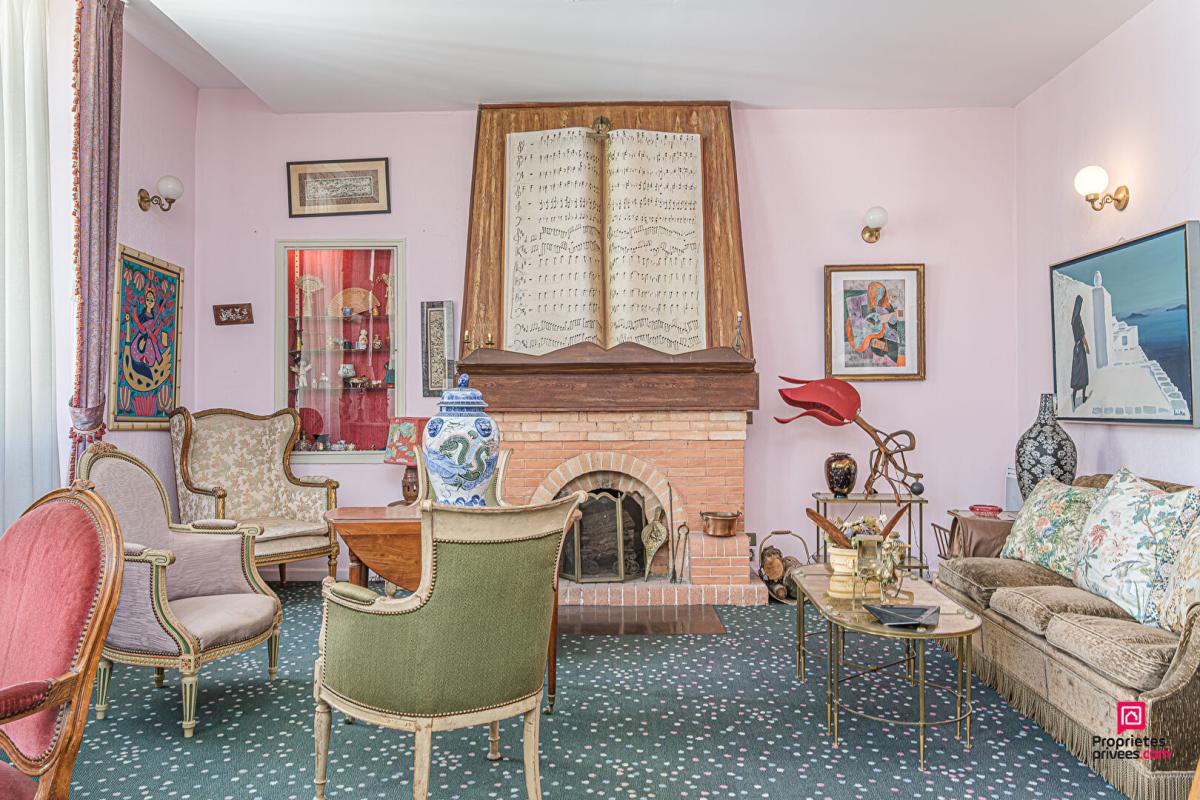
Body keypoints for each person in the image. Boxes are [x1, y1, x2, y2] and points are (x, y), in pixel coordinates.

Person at [1070, 295, 1090, 409]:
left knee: (1077, 374)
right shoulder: (1078, 319)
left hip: (1075, 349)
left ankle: (1074, 397)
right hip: (1081, 348)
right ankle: (1083, 397)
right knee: (1083, 373)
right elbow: (1082, 335)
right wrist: (1087, 346)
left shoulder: (1073, 319)